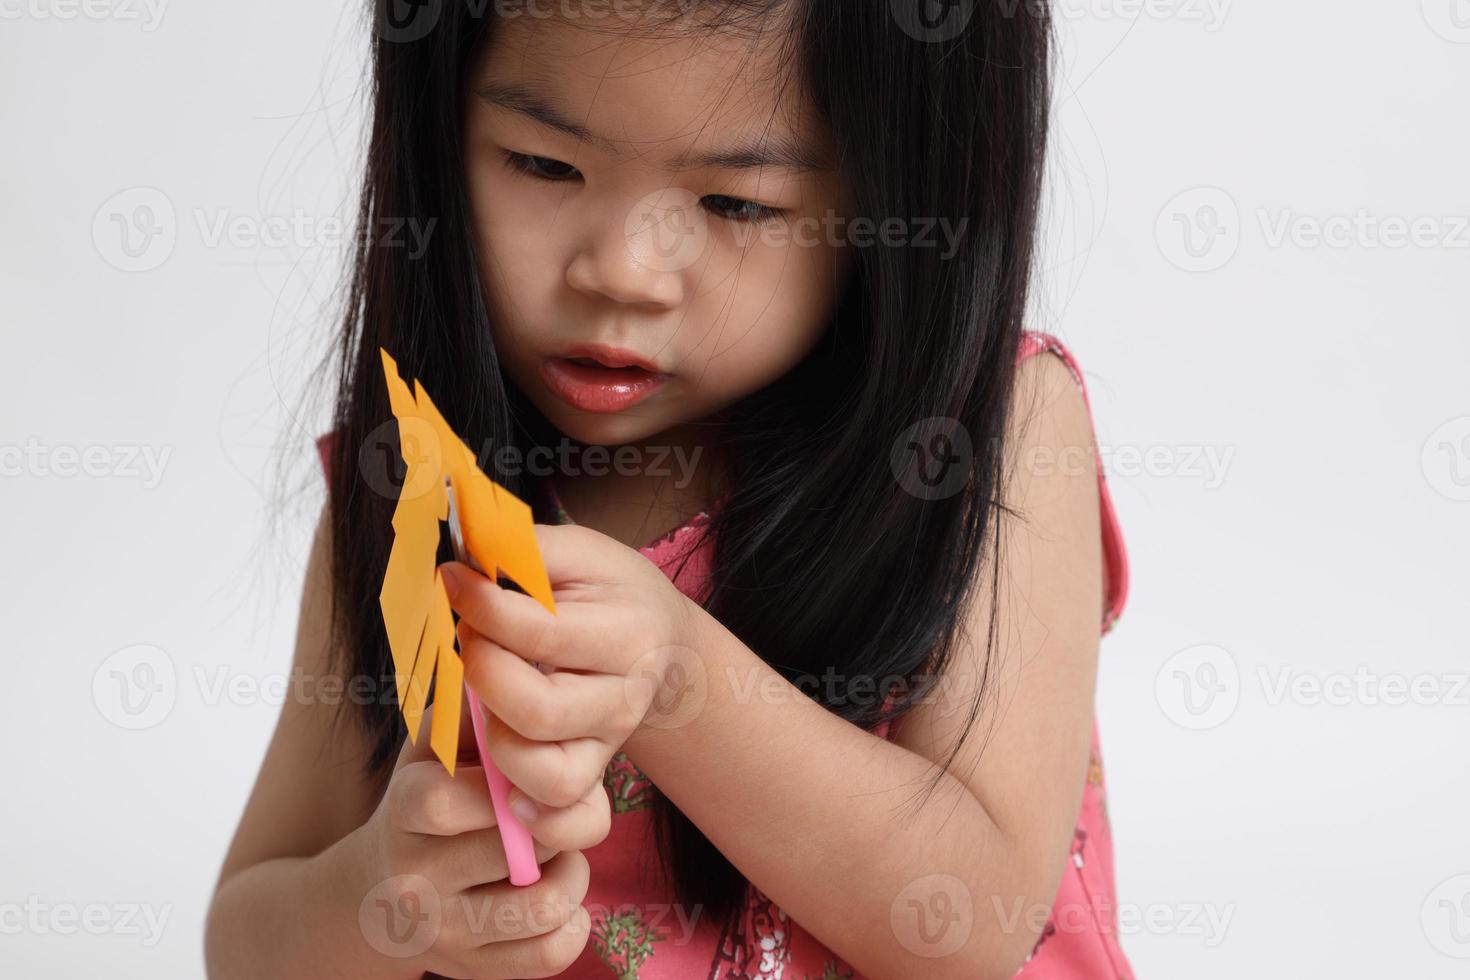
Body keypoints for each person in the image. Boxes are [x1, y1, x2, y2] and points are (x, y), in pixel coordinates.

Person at [206, 1, 1132, 977]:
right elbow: (246, 936)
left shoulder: (989, 438)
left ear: (895, 197)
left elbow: (976, 927)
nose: (621, 272)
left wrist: (675, 675)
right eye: (544, 164)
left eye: (737, 205)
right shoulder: (416, 491)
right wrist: (380, 893)